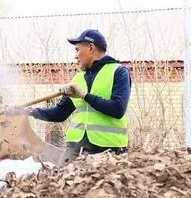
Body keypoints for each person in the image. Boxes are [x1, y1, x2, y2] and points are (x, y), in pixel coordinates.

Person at [7, 29, 131, 161]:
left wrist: (85, 95)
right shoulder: (77, 79)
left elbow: (118, 109)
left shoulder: (119, 72)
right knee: (57, 180)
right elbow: (59, 113)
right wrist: (29, 111)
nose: (76, 56)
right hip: (75, 149)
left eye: (77, 50)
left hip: (108, 150)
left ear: (90, 47)